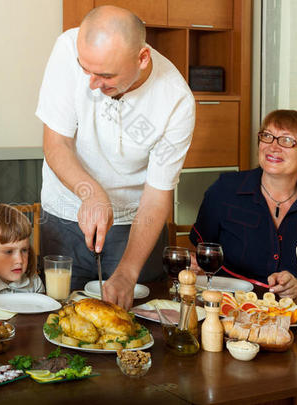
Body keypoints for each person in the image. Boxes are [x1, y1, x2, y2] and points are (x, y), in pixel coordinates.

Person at [36, 5, 195, 309]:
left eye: (106, 75)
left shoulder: (176, 101)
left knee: (132, 322)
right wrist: (91, 193)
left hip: (136, 226)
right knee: (62, 319)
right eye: (86, 71)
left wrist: (128, 270)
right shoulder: (67, 50)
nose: (92, 84)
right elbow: (56, 144)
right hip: (65, 217)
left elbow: (157, 194)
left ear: (142, 58)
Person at [190, 110, 297, 299]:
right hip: (227, 310)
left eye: (286, 140)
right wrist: (196, 268)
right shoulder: (224, 189)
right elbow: (201, 257)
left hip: (292, 317)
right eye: (267, 136)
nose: (273, 147)